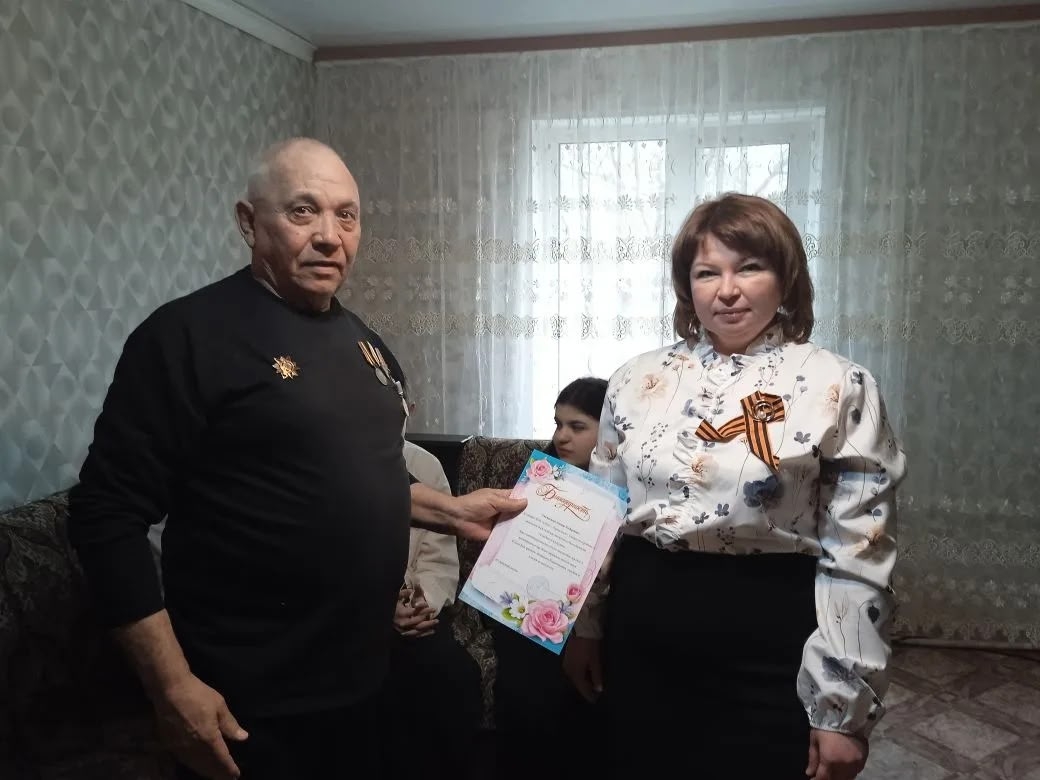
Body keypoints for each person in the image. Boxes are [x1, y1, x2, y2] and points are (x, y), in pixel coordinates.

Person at [67, 137, 524, 780]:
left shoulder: (366, 345)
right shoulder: (186, 337)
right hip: (252, 700)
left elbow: (357, 479)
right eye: (303, 211)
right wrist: (172, 687)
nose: (330, 236)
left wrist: (453, 512)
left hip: (368, 682)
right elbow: (104, 515)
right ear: (249, 222)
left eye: (346, 215)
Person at [562, 194, 906, 780]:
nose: (727, 290)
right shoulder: (635, 379)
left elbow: (859, 550)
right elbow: (600, 516)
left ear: (785, 276)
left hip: (768, 637)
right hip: (642, 630)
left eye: (749, 267)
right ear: (685, 286)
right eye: (707, 273)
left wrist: (841, 706)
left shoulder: (839, 385)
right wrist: (584, 627)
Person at [492, 377, 608, 779]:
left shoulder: (626, 488)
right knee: (525, 692)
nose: (562, 436)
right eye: (558, 424)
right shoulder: (540, 477)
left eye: (577, 426)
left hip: (596, 620)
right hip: (530, 616)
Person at [379, 366, 483, 780]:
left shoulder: (424, 466)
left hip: (415, 616)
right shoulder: (329, 463)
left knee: (454, 677)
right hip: (354, 618)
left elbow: (439, 556)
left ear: (410, 409)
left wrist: (422, 603)